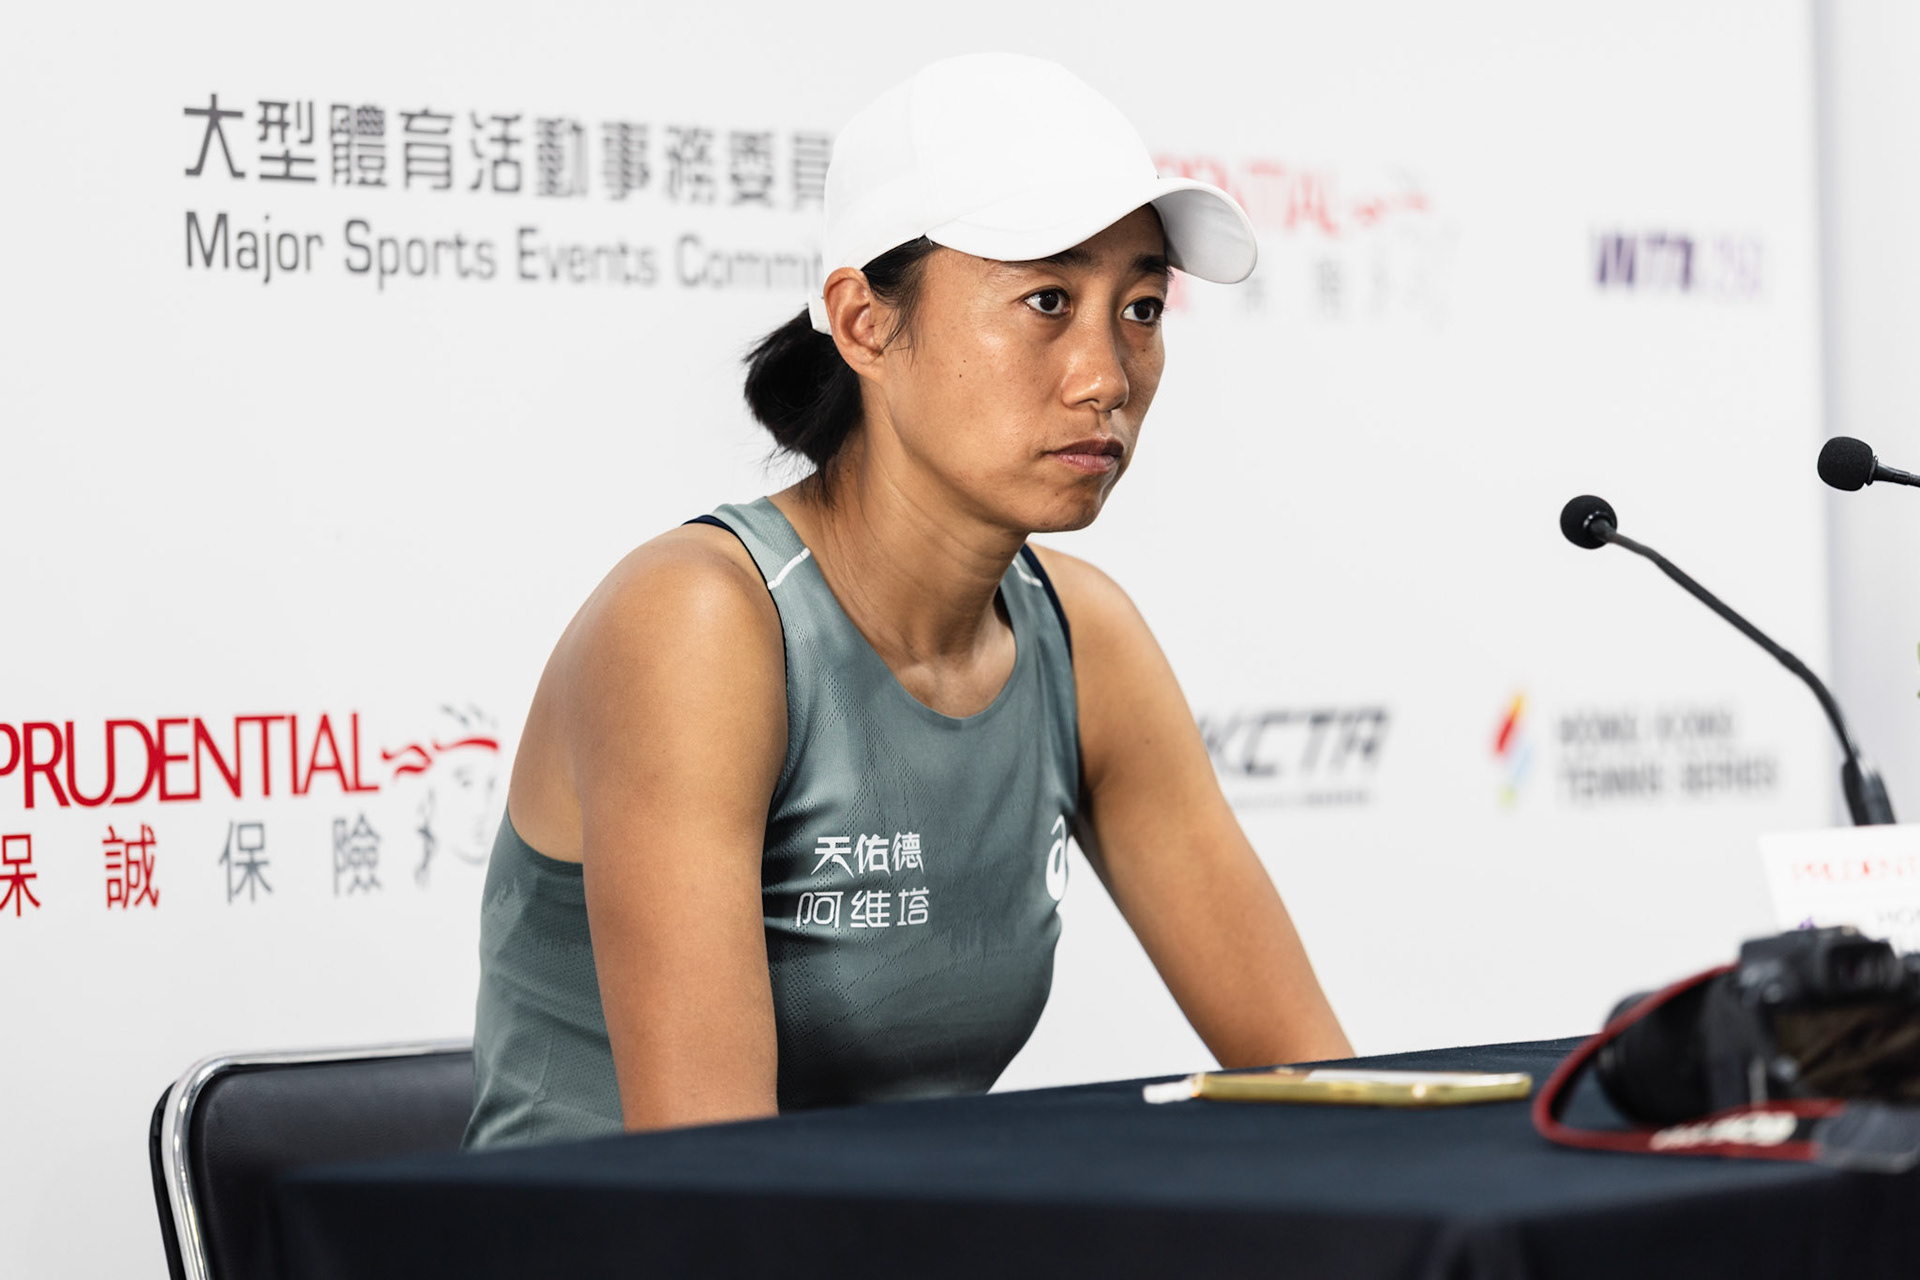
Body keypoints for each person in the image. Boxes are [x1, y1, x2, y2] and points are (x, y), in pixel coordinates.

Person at [464, 53, 1351, 1150]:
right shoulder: (701, 624)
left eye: (1140, 308)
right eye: (1046, 300)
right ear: (864, 323)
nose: (1107, 377)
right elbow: (711, 1187)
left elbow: (1323, 1081)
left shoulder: (1084, 635)